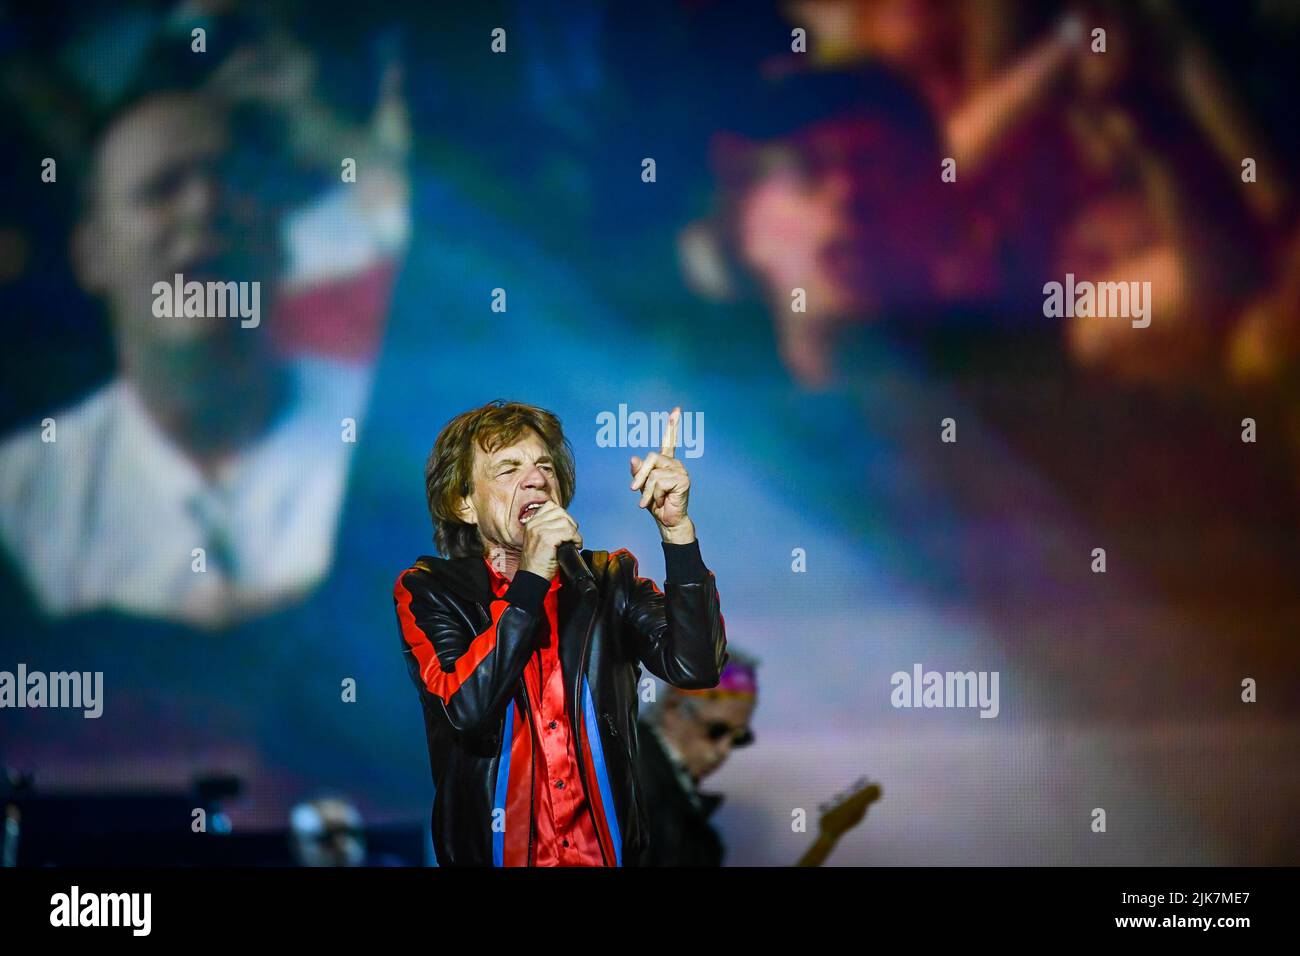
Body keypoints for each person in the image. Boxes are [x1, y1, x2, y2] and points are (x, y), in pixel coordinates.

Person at [393, 401, 727, 866]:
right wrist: (530, 580)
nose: (536, 479)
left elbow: (697, 666)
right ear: (463, 503)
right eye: (508, 469)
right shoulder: (429, 589)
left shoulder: (609, 580)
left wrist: (677, 532)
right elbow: (464, 707)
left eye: (544, 466)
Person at [635, 650, 758, 867]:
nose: (724, 750)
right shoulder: (629, 777)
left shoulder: (692, 818)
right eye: (716, 730)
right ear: (672, 709)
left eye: (738, 738)